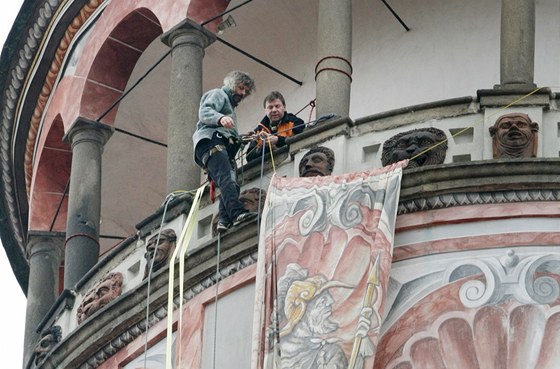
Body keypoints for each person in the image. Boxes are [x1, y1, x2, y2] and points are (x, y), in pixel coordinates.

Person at [193, 71, 258, 233]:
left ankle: (224, 220)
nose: (242, 93)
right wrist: (220, 118)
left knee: (230, 182)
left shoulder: (230, 109)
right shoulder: (218, 94)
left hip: (217, 145)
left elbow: (227, 133)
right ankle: (237, 214)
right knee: (227, 178)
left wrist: (241, 139)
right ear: (232, 84)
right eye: (241, 88)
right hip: (211, 142)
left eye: (245, 91)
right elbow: (204, 111)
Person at [246, 91, 305, 161]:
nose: (274, 110)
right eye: (270, 107)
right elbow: (249, 157)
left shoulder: (296, 122)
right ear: (265, 110)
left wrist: (277, 140)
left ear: (284, 107)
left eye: (277, 106)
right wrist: (267, 147)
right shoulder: (259, 131)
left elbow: (299, 142)